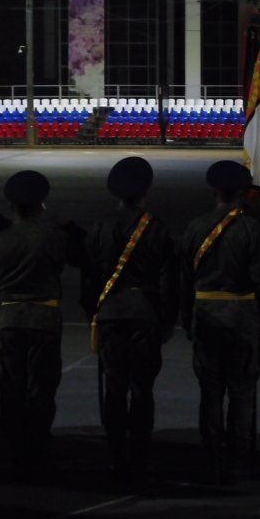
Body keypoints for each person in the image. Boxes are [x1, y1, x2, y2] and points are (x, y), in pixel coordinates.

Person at [0, 170, 86, 477]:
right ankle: (37, 449)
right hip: (44, 319)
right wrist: (70, 227)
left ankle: (12, 449)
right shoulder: (54, 237)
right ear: (41, 204)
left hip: (9, 319)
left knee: (10, 387)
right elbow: (85, 256)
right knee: (42, 387)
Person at [83, 157, 178, 484]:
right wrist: (167, 319)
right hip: (144, 314)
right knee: (141, 388)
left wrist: (93, 313)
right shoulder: (156, 227)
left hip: (111, 313)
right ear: (145, 192)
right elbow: (168, 279)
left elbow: (89, 276)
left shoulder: (100, 226)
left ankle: (116, 456)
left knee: (114, 387)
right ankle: (139, 456)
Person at [181, 160, 260, 484]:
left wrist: (186, 319)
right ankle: (239, 459)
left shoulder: (195, 228)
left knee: (211, 391)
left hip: (205, 313)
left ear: (214, 190)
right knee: (242, 392)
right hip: (241, 314)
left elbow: (185, 279)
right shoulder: (252, 229)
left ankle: (211, 458)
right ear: (243, 192)